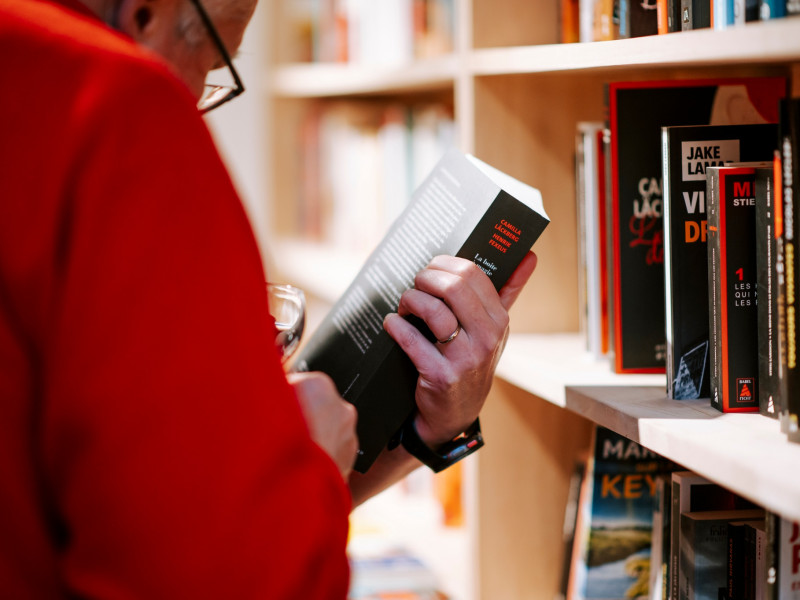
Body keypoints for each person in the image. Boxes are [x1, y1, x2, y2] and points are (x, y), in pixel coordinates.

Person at [0, 0, 538, 597]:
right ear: (145, 16)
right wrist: (302, 464)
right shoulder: (116, 105)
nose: (198, 105)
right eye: (212, 66)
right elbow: (216, 572)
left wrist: (429, 433)